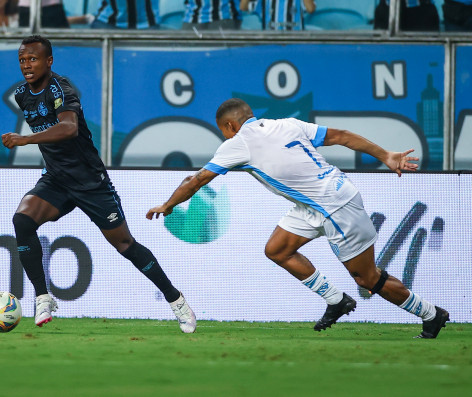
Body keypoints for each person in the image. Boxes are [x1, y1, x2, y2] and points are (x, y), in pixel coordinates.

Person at [146, 97, 450, 339]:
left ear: (230, 125)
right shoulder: (287, 124)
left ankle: (431, 314)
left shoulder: (238, 143)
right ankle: (336, 300)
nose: (223, 136)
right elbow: (341, 136)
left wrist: (168, 205)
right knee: (277, 249)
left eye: (222, 131)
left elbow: (196, 181)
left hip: (335, 207)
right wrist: (385, 155)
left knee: (367, 278)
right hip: (320, 200)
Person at [2, 34, 196, 333]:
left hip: (90, 182)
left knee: (125, 244)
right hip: (56, 179)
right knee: (22, 220)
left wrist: (26, 140)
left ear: (49, 61)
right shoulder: (22, 95)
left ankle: (176, 300)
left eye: (33, 59)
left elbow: (69, 128)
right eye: (22, 60)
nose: (26, 65)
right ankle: (42, 297)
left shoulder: (61, 89)